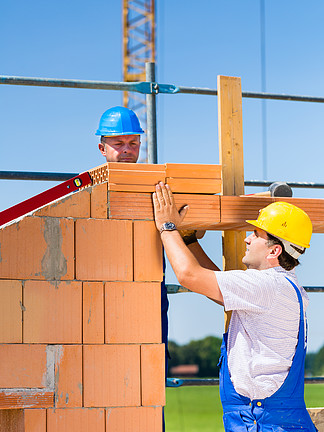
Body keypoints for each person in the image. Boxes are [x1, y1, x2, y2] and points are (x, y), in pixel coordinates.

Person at [152, 181, 317, 432]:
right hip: (264, 418)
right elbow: (220, 291)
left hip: (263, 420)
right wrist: (188, 241)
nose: (248, 239)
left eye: (256, 235)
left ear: (274, 250)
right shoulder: (278, 285)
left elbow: (188, 275)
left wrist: (167, 226)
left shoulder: (266, 286)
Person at [96, 107, 169, 431]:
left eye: (133, 143)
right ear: (102, 147)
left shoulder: (157, 188)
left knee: (149, 384)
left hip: (151, 297)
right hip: (102, 299)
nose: (127, 150)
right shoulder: (89, 191)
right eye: (118, 143)